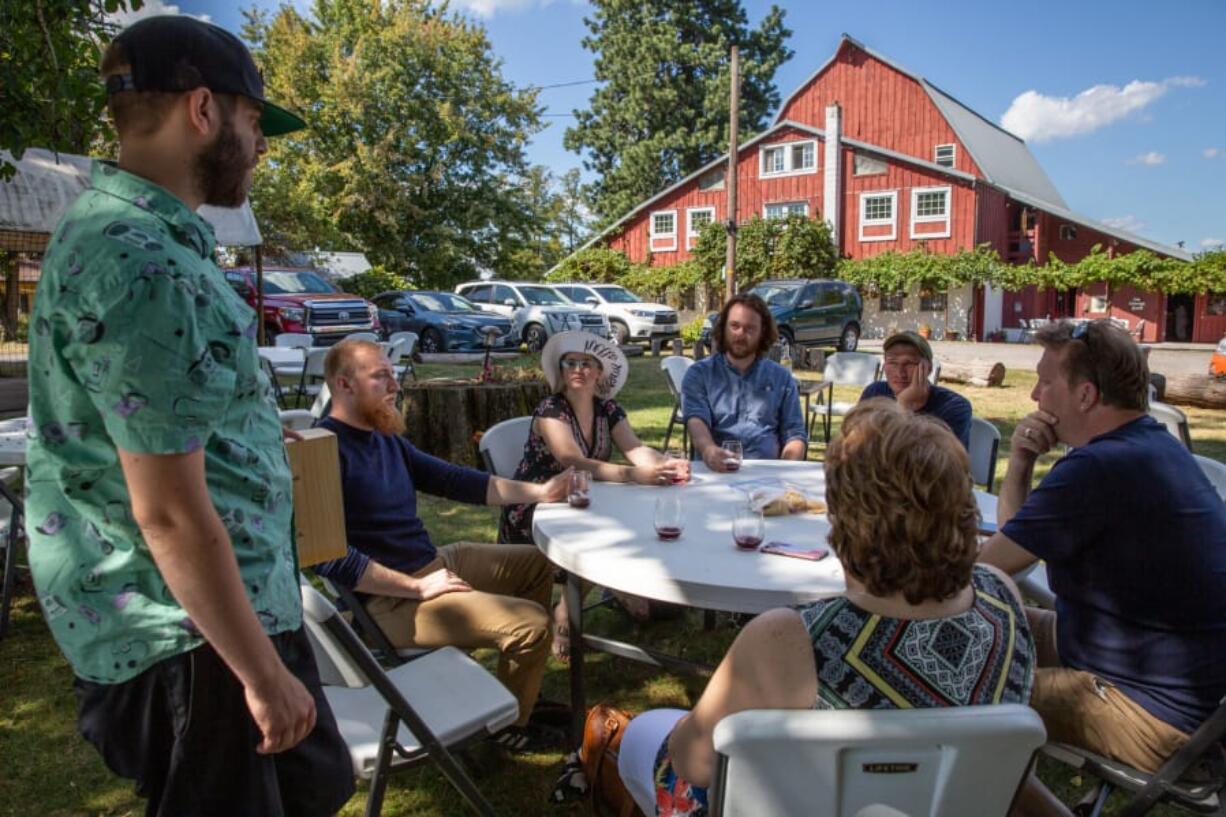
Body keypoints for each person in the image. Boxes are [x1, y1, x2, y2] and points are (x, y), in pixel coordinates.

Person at [24, 16, 354, 817]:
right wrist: (260, 674)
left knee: (321, 784)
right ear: (202, 110)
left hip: (221, 611)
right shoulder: (140, 260)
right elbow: (167, 511)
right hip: (191, 633)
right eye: (253, 123)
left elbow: (150, 422)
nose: (261, 147)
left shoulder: (135, 235)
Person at [615, 400, 1036, 817]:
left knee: (643, 736)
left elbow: (694, 763)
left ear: (843, 516)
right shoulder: (1002, 599)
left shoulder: (791, 638)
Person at [979, 319, 1226, 817]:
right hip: (1180, 689)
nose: (1034, 395)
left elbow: (987, 569)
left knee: (949, 683)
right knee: (984, 623)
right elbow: (1015, 540)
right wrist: (1022, 460)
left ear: (1086, 394)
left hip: (1154, 716)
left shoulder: (1099, 469)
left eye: (1046, 382)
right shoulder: (1149, 445)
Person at [312, 339, 572, 751]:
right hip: (386, 602)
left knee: (536, 563)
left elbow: (456, 480)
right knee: (531, 624)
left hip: (431, 565)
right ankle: (508, 729)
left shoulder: (384, 438)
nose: (394, 383)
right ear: (343, 385)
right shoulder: (322, 451)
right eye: (380, 375)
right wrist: (415, 588)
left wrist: (541, 492)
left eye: (392, 372)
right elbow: (326, 557)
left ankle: (518, 690)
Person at [499, 331, 689, 646]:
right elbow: (572, 460)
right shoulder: (551, 409)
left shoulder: (607, 409)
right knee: (603, 532)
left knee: (630, 518)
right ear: (561, 371)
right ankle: (572, 609)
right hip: (540, 504)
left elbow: (636, 449)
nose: (578, 369)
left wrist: (667, 463)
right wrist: (632, 476)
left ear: (599, 372)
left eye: (587, 363)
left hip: (588, 498)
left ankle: (595, 596)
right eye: (570, 362)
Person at [682, 293, 807, 470]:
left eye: (750, 329)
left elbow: (795, 434)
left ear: (762, 332)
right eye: (735, 326)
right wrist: (708, 450)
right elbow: (696, 421)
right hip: (715, 472)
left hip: (768, 474)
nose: (740, 334)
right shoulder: (699, 374)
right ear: (723, 327)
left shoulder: (781, 378)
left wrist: (784, 471)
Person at [859, 330, 972, 448]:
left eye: (910, 363)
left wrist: (903, 406)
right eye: (892, 363)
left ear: (928, 368)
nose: (900, 372)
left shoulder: (954, 406)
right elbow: (857, 448)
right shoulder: (874, 394)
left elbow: (938, 462)